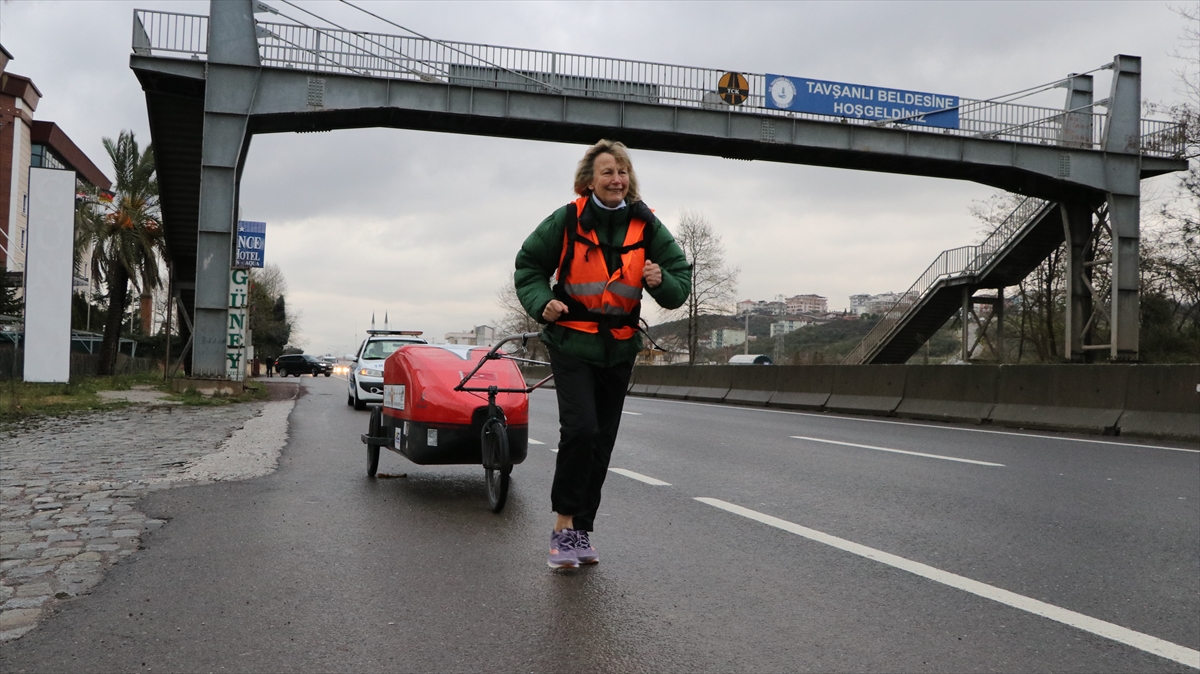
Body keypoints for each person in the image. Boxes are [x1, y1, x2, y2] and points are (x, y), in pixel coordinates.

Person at [514, 139, 691, 568]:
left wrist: (660, 280)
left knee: (602, 440)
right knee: (581, 429)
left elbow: (679, 286)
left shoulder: (646, 225)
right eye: (608, 172)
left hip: (619, 347)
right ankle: (562, 527)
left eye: (622, 172)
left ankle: (581, 530)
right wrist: (543, 303)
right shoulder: (566, 219)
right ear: (589, 181)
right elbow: (529, 267)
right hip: (572, 341)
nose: (617, 179)